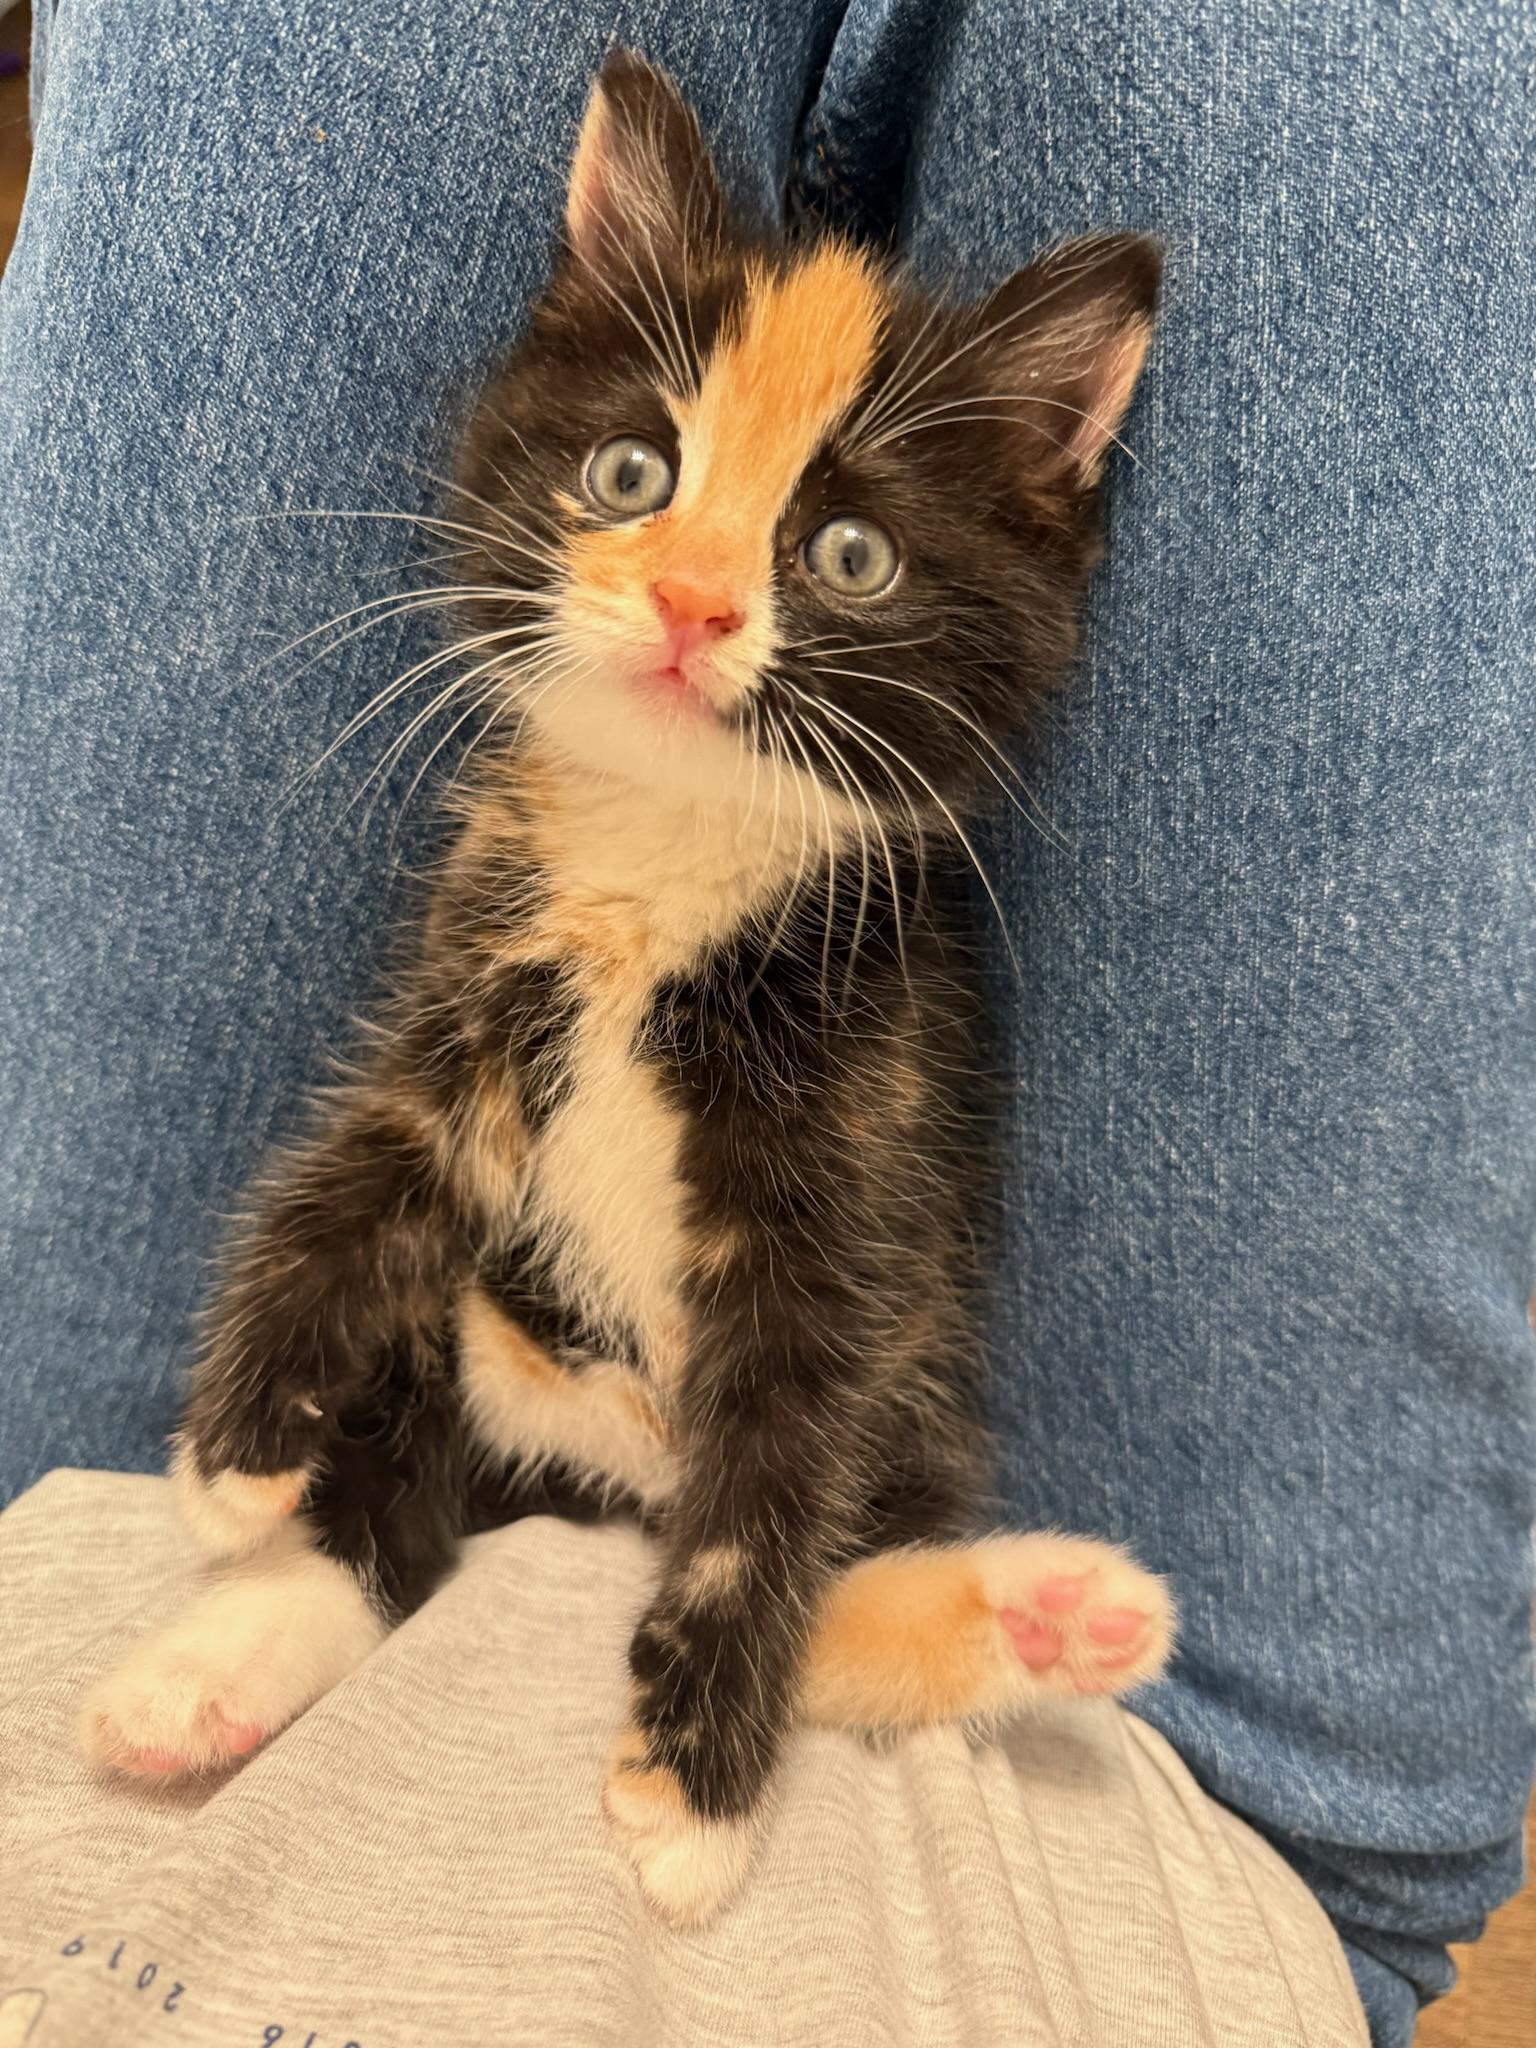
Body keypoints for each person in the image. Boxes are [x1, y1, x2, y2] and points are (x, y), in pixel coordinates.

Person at [0, 4, 1530, 2044]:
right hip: (1133, 1878)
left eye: (831, 551)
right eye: (639, 480)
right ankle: (846, 1634)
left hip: (83, 1548)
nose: (699, 591)